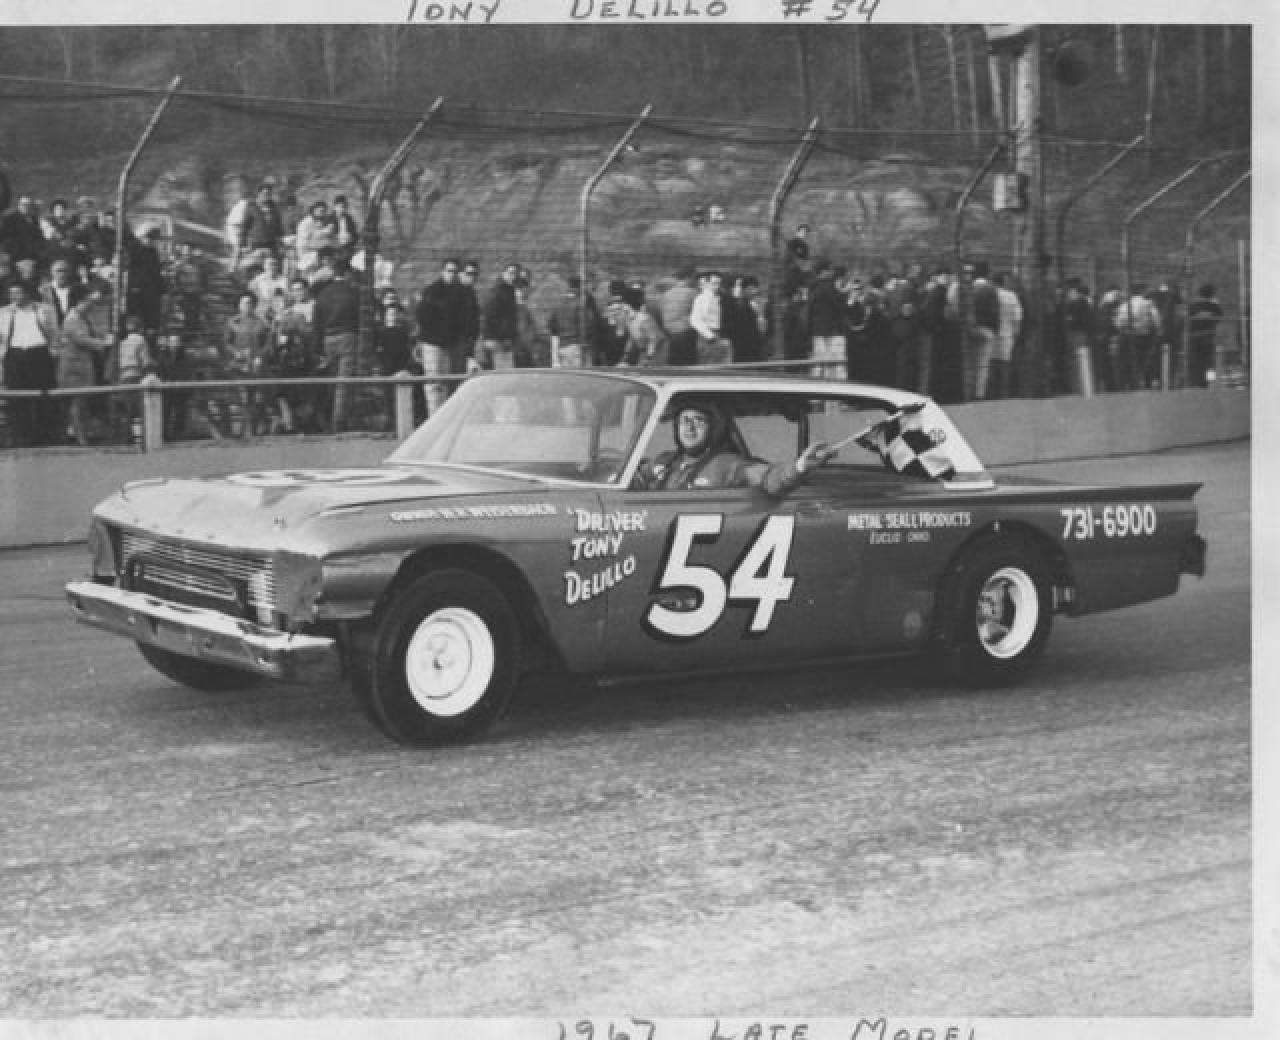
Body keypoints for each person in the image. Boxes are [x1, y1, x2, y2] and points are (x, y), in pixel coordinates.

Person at [635, 399, 832, 496]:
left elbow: (769, 478)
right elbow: (632, 480)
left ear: (713, 428)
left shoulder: (728, 464)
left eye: (699, 421)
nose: (690, 427)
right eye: (684, 420)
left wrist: (799, 467)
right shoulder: (664, 461)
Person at [0, 281, 59, 446]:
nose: (15, 297)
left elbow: (54, 332)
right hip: (14, 355)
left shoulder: (44, 309)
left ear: (27, 293)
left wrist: (54, 351)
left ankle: (42, 435)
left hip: (39, 354)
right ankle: (20, 436)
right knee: (16, 397)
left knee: (42, 395)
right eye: (12, 294)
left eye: (18, 293)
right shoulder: (4, 312)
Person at [311, 255, 361, 431]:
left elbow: (316, 323)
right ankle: (339, 420)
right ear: (347, 272)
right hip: (348, 337)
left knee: (330, 380)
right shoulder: (354, 292)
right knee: (344, 381)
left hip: (328, 339)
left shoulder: (323, 294)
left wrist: (317, 348)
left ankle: (324, 418)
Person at [57, 286, 112, 446]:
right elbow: (81, 339)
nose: (90, 304)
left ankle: (82, 433)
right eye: (88, 301)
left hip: (83, 365)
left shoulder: (82, 318)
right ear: (79, 301)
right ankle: (79, 436)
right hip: (74, 367)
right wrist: (103, 343)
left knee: (82, 401)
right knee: (77, 401)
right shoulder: (72, 319)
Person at [547, 274, 599, 368]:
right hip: (578, 346)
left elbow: (551, 325)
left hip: (563, 347)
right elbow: (589, 324)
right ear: (580, 286)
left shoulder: (560, 303)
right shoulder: (581, 304)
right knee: (582, 375)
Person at [1186, 283, 1224, 388]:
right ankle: (1207, 382)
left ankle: (1194, 381)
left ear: (1200, 294)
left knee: (1195, 360)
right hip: (1208, 335)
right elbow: (1219, 319)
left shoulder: (1193, 306)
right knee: (1208, 361)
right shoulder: (1214, 306)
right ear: (1211, 294)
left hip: (1194, 336)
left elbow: (1188, 320)